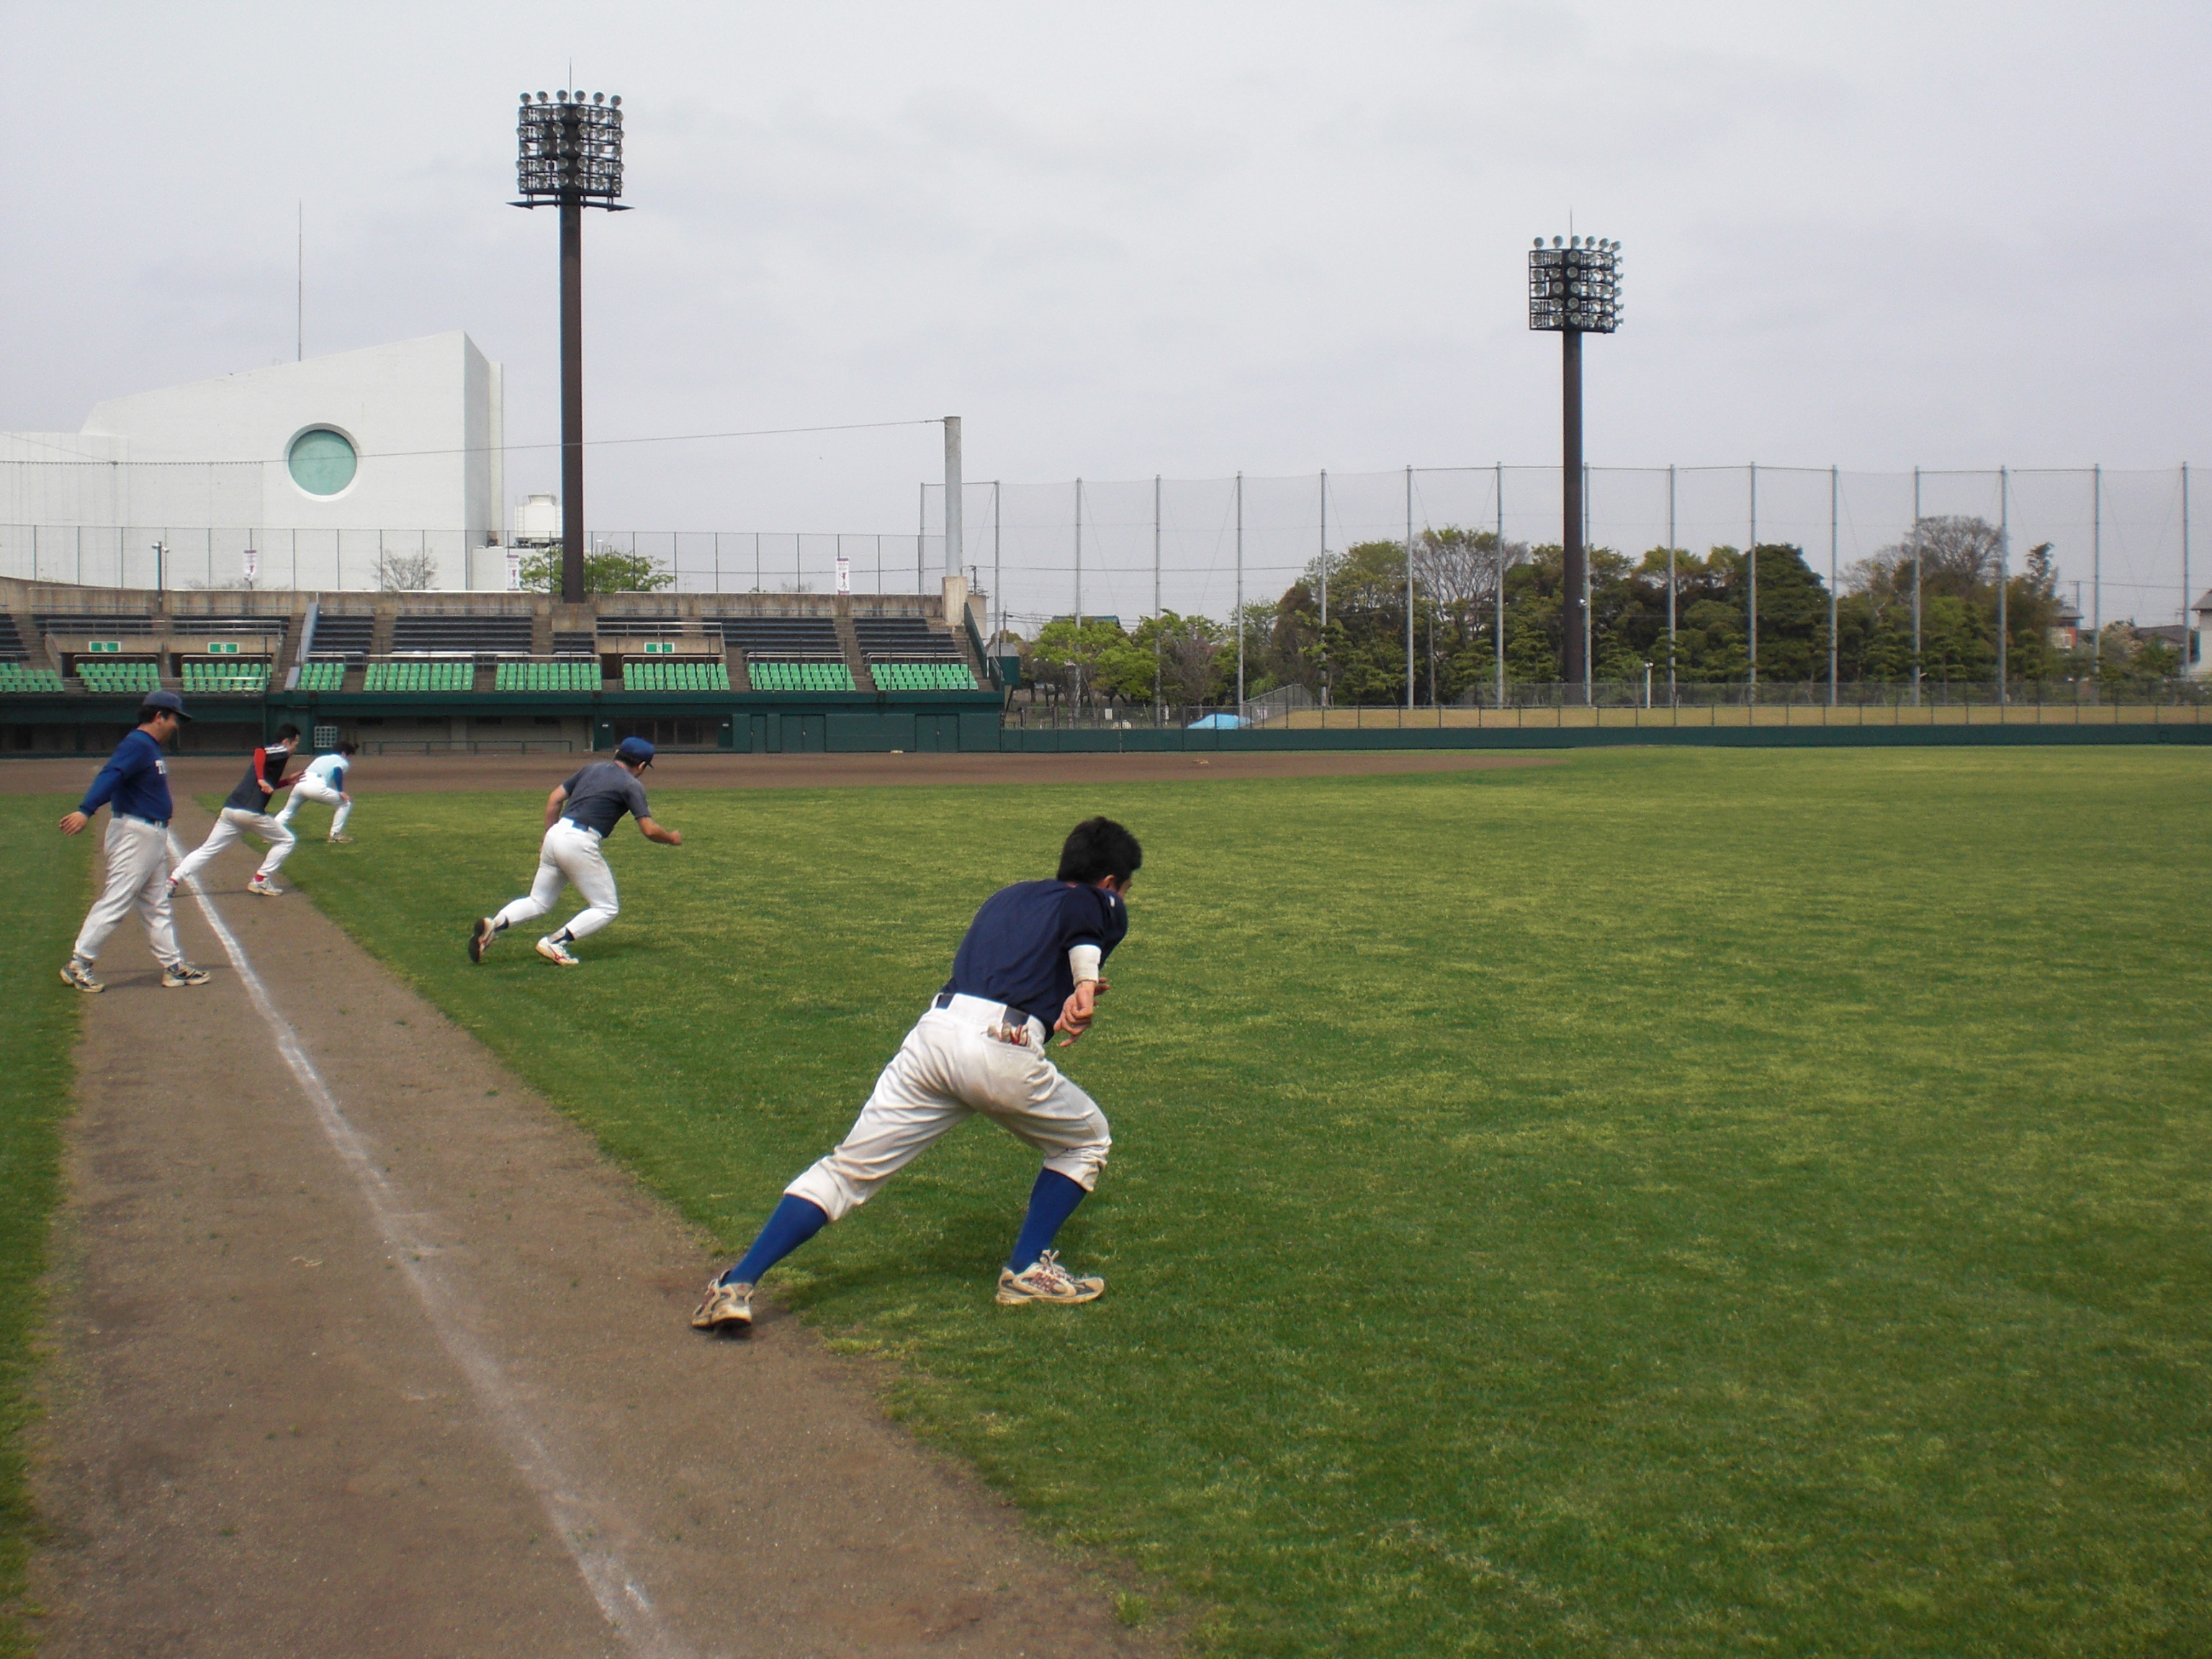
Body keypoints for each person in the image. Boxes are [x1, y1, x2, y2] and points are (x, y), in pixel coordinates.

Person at [693, 816, 1141, 1334]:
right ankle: (1024, 1270)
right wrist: (1085, 982)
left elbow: (1020, 966)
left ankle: (735, 1283)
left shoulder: (1009, 897)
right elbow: (1088, 913)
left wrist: (1060, 997)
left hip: (933, 1036)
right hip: (1000, 1048)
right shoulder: (1097, 899)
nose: (1122, 900)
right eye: (1124, 890)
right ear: (1111, 882)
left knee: (846, 1171)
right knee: (1086, 1141)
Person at [469, 736, 682, 967]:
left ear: (617, 753)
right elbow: (649, 830)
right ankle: (556, 942)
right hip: (579, 841)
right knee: (606, 907)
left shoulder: (592, 769)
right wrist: (670, 838)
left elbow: (554, 799)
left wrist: (548, 834)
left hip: (557, 833)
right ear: (641, 766)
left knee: (538, 900)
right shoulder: (631, 785)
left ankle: (494, 924)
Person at [57, 691, 212, 993]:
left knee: (157, 904)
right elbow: (111, 775)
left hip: (150, 835)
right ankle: (79, 963)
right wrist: (85, 810)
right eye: (174, 719)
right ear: (159, 717)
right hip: (134, 833)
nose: (176, 726)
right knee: (117, 899)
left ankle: (173, 967)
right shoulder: (137, 744)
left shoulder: (148, 747)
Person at [168, 723, 304, 897]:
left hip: (230, 810)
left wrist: (286, 781)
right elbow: (259, 752)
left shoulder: (276, 757)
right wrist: (262, 780)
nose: (295, 748)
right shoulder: (280, 750)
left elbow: (264, 781)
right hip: (249, 812)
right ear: (286, 741)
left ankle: (172, 880)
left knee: (207, 850)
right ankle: (260, 879)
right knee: (287, 840)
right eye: (295, 744)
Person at [275, 737, 358, 843]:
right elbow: (337, 770)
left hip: (301, 784)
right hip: (316, 785)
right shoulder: (342, 761)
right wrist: (340, 790)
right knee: (346, 803)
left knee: (288, 811)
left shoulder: (321, 758)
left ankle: (271, 834)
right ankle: (335, 834)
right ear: (343, 753)